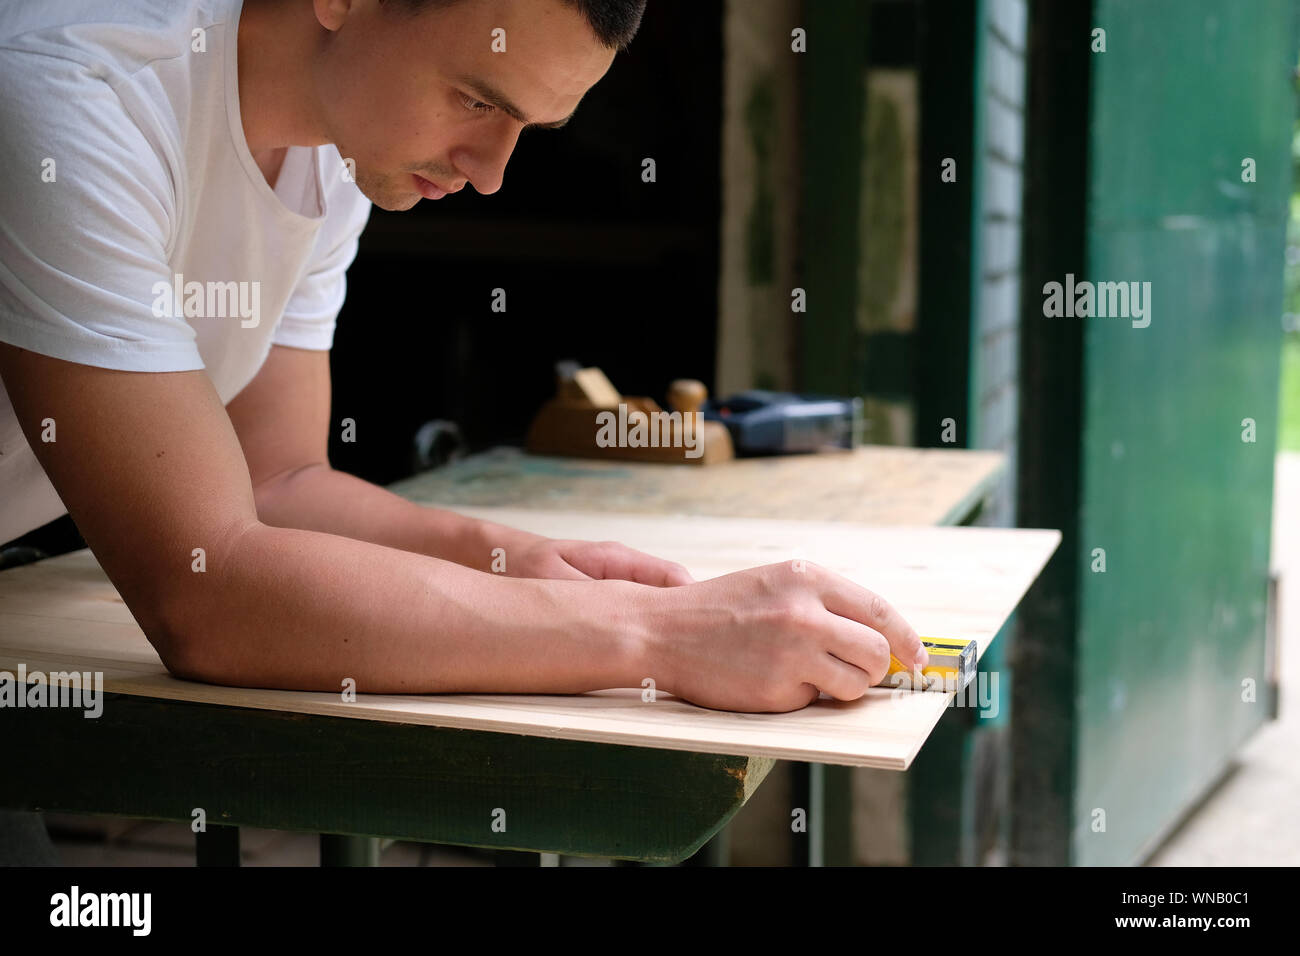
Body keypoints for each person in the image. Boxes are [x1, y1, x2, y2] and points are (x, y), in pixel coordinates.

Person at [0, 0, 927, 723]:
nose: (489, 172)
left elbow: (275, 479)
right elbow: (205, 593)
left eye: (527, 126)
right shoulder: (71, 100)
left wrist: (513, 561)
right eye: (478, 99)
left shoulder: (337, 146)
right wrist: (657, 636)